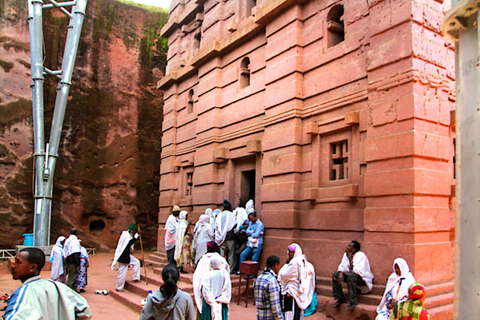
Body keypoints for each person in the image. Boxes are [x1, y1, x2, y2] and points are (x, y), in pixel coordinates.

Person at [4, 247, 92, 319]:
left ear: (32, 267)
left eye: (18, 262)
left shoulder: (23, 293)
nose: (13, 266)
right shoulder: (59, 287)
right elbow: (85, 310)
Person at [332, 240, 374, 310]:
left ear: (354, 249)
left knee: (351, 275)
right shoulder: (346, 255)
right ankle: (340, 298)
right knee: (335, 275)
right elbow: (342, 267)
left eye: (349, 246)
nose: (347, 247)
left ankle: (353, 300)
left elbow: (359, 270)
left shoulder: (361, 256)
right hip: (350, 276)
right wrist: (341, 273)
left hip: (361, 279)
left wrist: (349, 266)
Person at [278, 244, 315, 320]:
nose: (289, 254)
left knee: (292, 311)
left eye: (291, 252)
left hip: (293, 291)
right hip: (294, 291)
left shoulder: (295, 262)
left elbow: (284, 275)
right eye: (289, 252)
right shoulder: (299, 261)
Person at [193, 241, 230, 316]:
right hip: (220, 299)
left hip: (207, 299)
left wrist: (209, 300)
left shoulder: (203, 261)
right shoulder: (222, 262)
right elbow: (227, 285)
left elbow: (198, 280)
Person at [200, 255, 232, 320]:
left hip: (208, 305)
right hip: (222, 303)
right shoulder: (225, 274)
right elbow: (228, 291)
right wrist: (219, 300)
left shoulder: (208, 275)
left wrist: (212, 301)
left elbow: (205, 291)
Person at [112, 223, 141, 291]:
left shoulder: (127, 235)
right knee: (122, 272)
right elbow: (129, 243)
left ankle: (136, 277)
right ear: (130, 231)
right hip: (123, 256)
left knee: (136, 262)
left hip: (127, 255)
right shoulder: (126, 236)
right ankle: (119, 288)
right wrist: (136, 236)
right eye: (133, 232)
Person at [254, 255, 284, 320]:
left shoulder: (258, 279)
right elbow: (274, 304)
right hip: (269, 316)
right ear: (275, 265)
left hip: (260, 315)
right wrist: (279, 318)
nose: (279, 268)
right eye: (278, 266)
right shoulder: (271, 280)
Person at [239, 211, 264, 276]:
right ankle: (242, 270)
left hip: (257, 244)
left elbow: (256, 234)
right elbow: (247, 231)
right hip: (250, 243)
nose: (250, 220)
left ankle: (252, 274)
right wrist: (253, 231)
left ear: (255, 217)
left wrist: (251, 233)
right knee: (243, 254)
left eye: (251, 219)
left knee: (254, 258)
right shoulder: (250, 223)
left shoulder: (260, 224)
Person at [215, 200, 236, 269]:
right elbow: (235, 225)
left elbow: (216, 226)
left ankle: (221, 268)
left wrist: (220, 235)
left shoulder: (219, 215)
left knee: (221, 254)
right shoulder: (232, 215)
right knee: (231, 253)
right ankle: (230, 268)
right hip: (230, 237)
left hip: (220, 238)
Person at [232, 205, 248, 274]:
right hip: (238, 237)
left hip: (242, 238)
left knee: (239, 253)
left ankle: (239, 268)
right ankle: (236, 267)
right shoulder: (239, 213)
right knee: (237, 253)